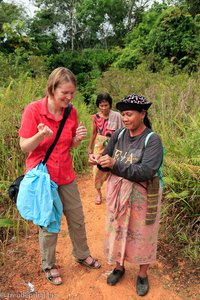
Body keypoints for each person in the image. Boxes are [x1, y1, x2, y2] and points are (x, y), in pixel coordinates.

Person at [18, 67, 101, 286]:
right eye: (64, 92)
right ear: (52, 88)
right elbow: (25, 146)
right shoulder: (33, 110)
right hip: (43, 177)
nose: (69, 97)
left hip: (65, 173)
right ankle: (50, 264)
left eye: (72, 93)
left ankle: (82, 254)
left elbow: (67, 144)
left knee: (76, 217)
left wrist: (77, 139)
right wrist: (40, 134)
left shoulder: (70, 112)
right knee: (49, 221)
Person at [89, 93, 163, 296]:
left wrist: (114, 164)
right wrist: (100, 161)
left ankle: (142, 274)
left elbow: (146, 171)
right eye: (123, 115)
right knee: (118, 229)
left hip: (143, 196)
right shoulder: (119, 135)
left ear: (142, 114)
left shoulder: (152, 140)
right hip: (118, 194)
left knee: (143, 234)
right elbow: (108, 159)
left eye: (129, 114)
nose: (125, 118)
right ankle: (119, 267)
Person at [88, 93, 123, 204]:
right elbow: (94, 133)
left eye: (106, 105)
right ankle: (98, 192)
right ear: (98, 106)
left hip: (114, 143)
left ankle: (114, 193)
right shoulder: (95, 117)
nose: (104, 108)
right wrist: (90, 148)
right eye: (101, 105)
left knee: (114, 167)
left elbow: (123, 131)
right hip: (100, 144)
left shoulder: (117, 116)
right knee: (97, 169)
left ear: (110, 105)